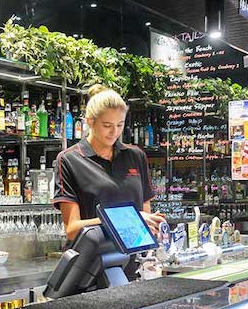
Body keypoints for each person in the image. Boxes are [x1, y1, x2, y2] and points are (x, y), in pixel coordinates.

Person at [53, 84, 166, 242]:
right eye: (107, 126)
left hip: (135, 260)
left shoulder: (135, 155)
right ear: (90, 121)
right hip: (94, 261)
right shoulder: (69, 160)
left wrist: (154, 225)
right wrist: (128, 221)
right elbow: (72, 230)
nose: (114, 132)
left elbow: (145, 216)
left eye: (120, 125)